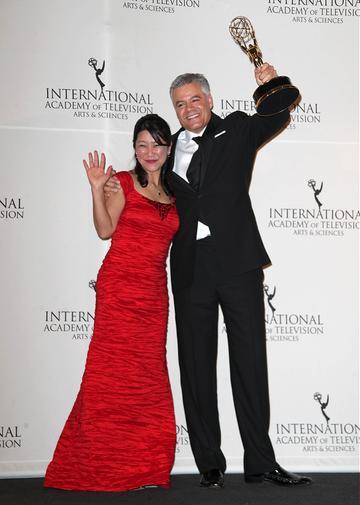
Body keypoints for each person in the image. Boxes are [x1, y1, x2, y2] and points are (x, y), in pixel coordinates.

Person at [105, 66, 312, 488]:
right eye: (180, 104)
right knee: (196, 366)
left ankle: (260, 461)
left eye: (194, 99)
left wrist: (269, 83)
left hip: (237, 262)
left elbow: (277, 114)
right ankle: (209, 463)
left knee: (250, 362)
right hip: (190, 267)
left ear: (210, 100)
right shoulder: (166, 149)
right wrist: (106, 189)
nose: (188, 109)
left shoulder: (235, 130)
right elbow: (143, 190)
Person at [44, 114, 179, 492]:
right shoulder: (122, 182)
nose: (150, 152)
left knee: (147, 379)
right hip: (119, 289)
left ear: (168, 148)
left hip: (153, 295)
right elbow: (105, 230)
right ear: (134, 148)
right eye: (142, 145)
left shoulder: (175, 193)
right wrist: (95, 188)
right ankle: (104, 462)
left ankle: (146, 465)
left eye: (157, 144)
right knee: (111, 376)